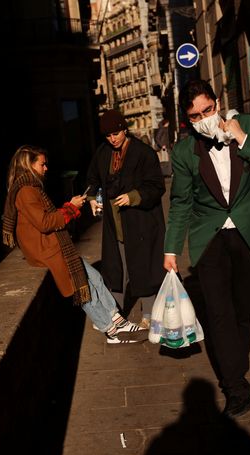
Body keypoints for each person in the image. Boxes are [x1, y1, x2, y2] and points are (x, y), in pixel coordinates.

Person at [163, 80, 250, 418]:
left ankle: (235, 365)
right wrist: (171, 249)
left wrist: (241, 138)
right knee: (219, 313)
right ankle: (236, 388)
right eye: (194, 116)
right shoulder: (185, 151)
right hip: (210, 239)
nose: (203, 118)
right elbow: (181, 203)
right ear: (187, 120)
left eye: (208, 110)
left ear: (218, 103)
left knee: (244, 311)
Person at [2, 145, 143, 344]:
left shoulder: (32, 187)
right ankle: (110, 329)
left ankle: (117, 319)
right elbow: (45, 223)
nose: (46, 168)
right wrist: (71, 208)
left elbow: (46, 218)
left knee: (95, 277)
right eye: (42, 164)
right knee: (83, 286)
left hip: (53, 245)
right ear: (29, 165)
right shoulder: (26, 191)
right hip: (47, 250)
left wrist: (70, 205)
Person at [86, 109, 166, 329]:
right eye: (108, 135)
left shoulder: (143, 153)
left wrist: (133, 197)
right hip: (115, 222)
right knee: (116, 268)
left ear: (124, 129)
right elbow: (92, 177)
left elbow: (156, 185)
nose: (112, 139)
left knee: (143, 266)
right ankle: (116, 313)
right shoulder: (103, 153)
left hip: (141, 222)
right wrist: (93, 197)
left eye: (116, 133)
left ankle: (148, 313)